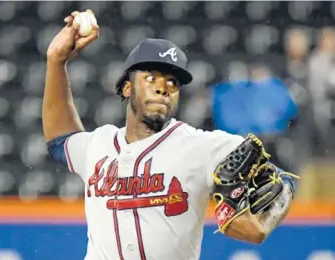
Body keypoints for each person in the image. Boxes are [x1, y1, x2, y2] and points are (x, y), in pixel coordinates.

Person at [43, 10, 298, 260]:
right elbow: (60, 140)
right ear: (127, 87)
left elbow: (283, 180)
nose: (163, 88)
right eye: (151, 77)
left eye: (172, 82)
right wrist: (56, 61)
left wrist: (268, 216)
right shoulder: (99, 144)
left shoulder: (202, 146)